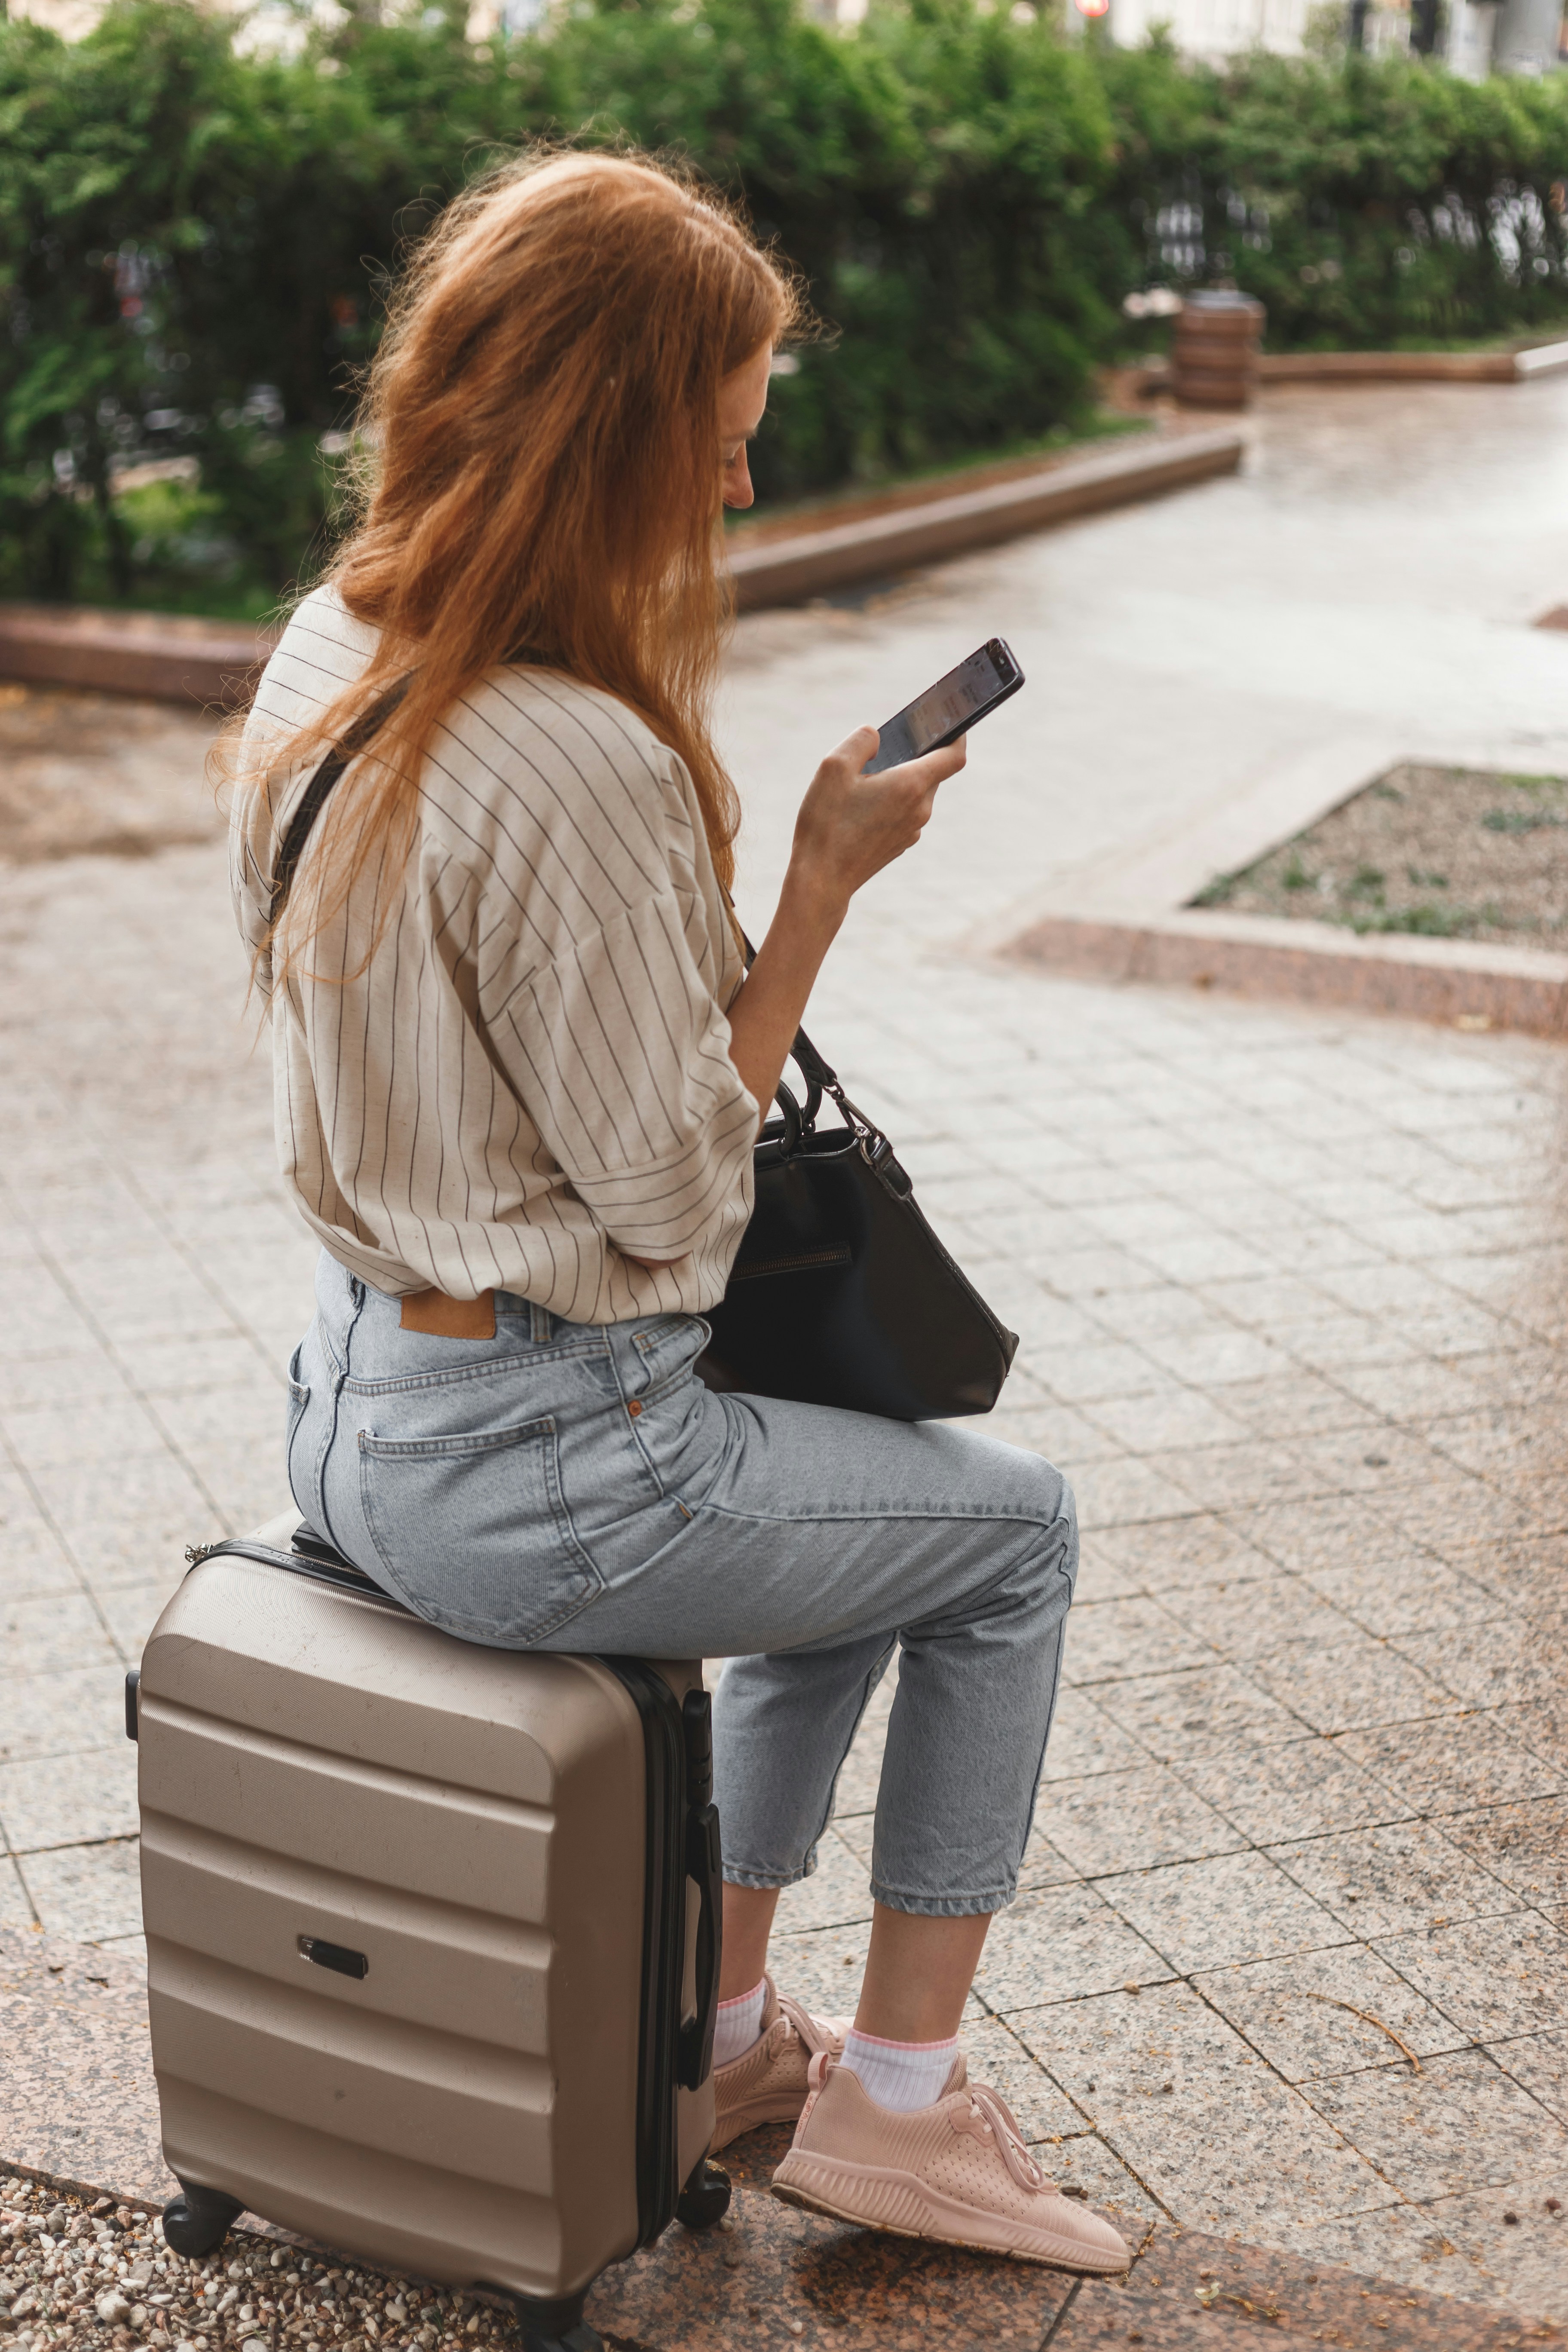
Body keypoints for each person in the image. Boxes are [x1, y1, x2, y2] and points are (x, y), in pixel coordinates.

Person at [230, 147, 1127, 2277]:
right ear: (618, 430)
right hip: (554, 1461)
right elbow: (682, 1215)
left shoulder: (328, 646)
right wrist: (813, 887)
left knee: (878, 1504)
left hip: (353, 1398)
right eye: (721, 449)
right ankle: (900, 2110)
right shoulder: (573, 759)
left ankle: (724, 2044)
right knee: (1017, 1536)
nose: (733, 502)